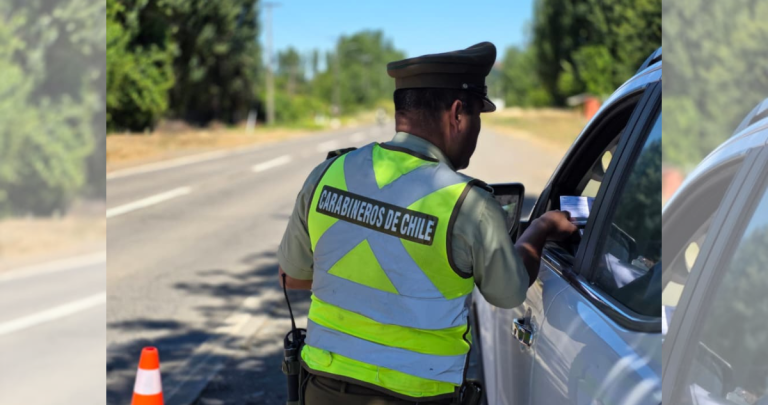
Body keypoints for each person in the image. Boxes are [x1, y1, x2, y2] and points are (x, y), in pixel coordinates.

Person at [277, 42, 577, 405]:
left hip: (322, 389)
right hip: (417, 397)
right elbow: (508, 292)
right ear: (457, 114)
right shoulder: (468, 204)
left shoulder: (328, 174)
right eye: (478, 117)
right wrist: (540, 229)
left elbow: (293, 276)